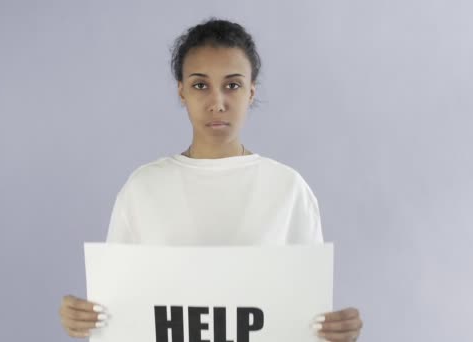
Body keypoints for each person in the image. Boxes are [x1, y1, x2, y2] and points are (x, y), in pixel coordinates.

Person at [59, 17, 363, 341]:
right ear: (181, 91)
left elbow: (305, 313)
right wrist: (84, 317)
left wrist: (335, 330)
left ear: (251, 91)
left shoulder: (288, 190)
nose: (217, 103)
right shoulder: (143, 189)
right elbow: (120, 309)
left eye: (232, 84)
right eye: (200, 85)